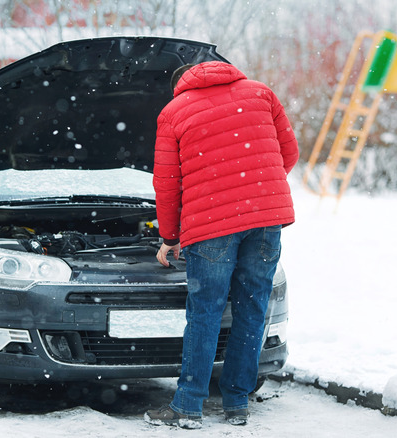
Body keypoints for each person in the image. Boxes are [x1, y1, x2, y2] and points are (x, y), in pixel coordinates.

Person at [144, 61, 299, 429]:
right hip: (265, 220)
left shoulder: (174, 112)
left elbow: (167, 184)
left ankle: (188, 406)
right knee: (251, 308)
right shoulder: (260, 93)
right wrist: (254, 194)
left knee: (206, 311)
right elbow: (288, 154)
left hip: (211, 225)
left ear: (179, 85)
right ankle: (236, 403)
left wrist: (169, 238)